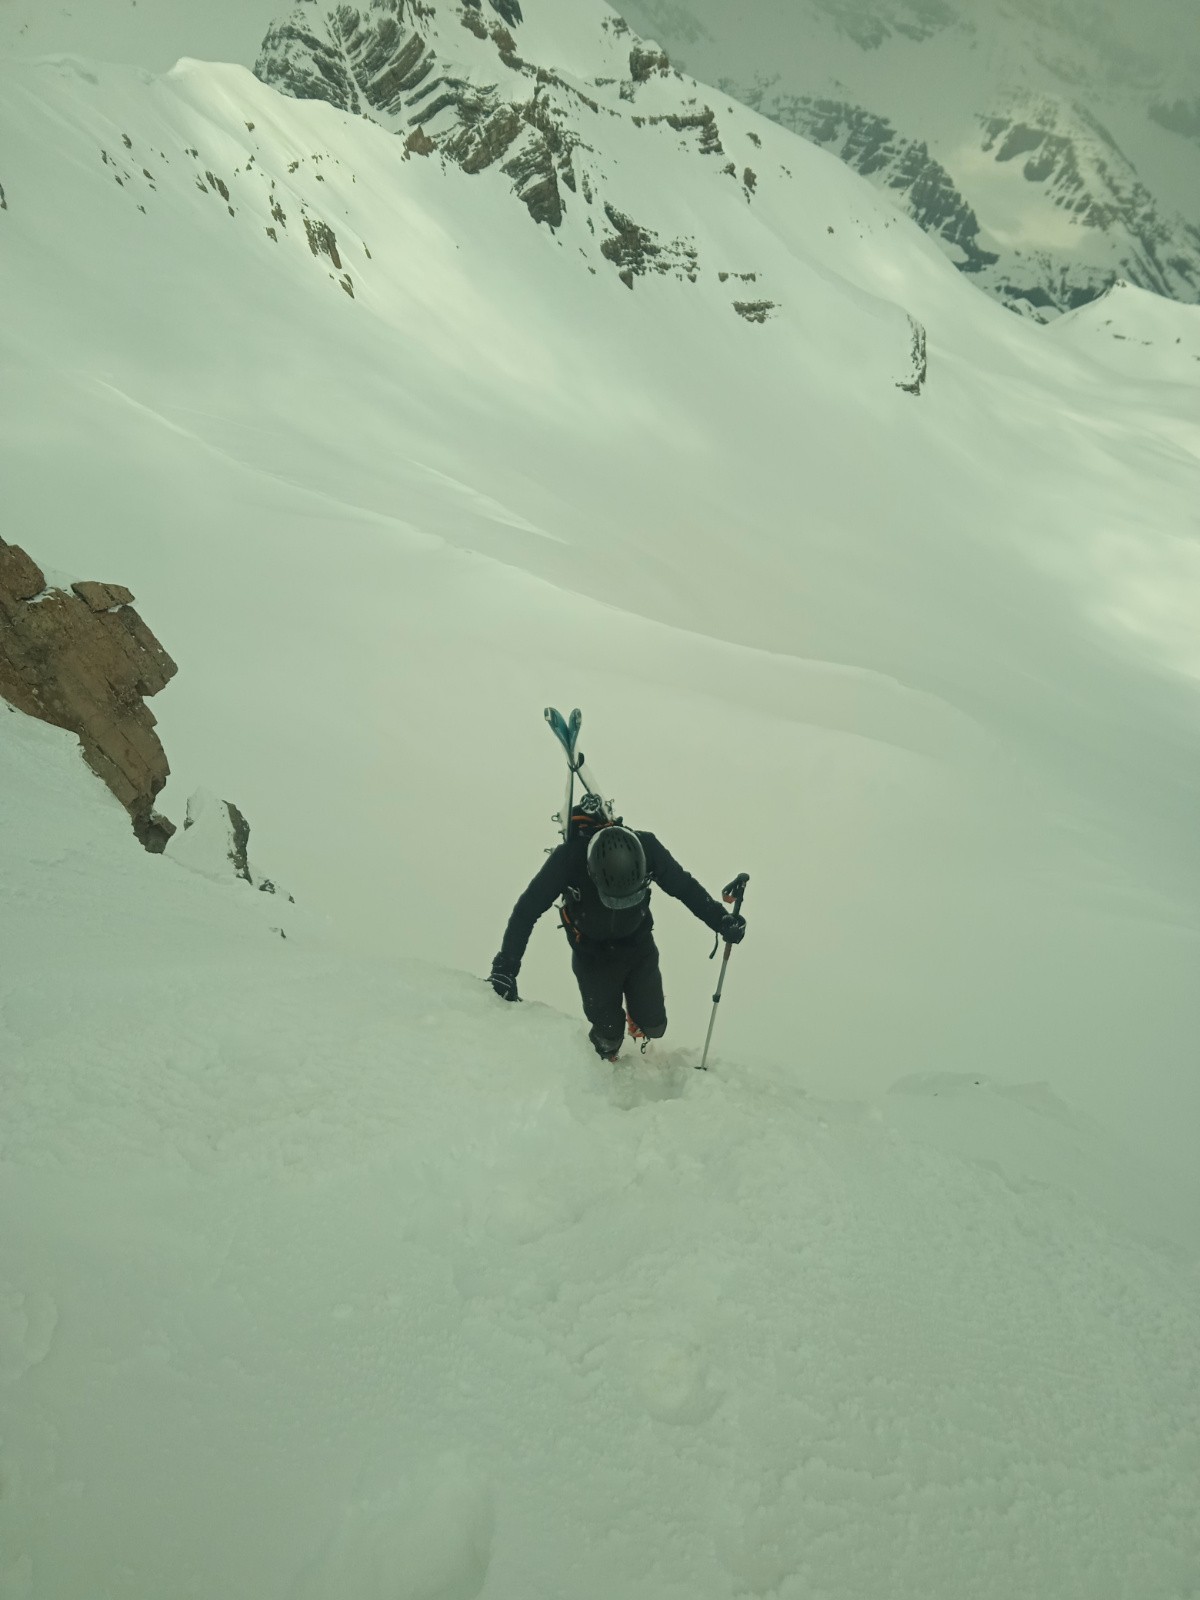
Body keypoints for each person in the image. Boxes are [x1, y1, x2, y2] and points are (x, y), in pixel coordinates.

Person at [488, 815, 746, 1060]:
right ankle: (606, 1062)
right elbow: (526, 911)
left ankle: (639, 1016)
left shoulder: (649, 848)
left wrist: (721, 920)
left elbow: (685, 888)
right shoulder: (568, 860)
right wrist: (506, 967)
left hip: (637, 944)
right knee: (608, 1036)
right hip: (591, 954)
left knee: (655, 1026)